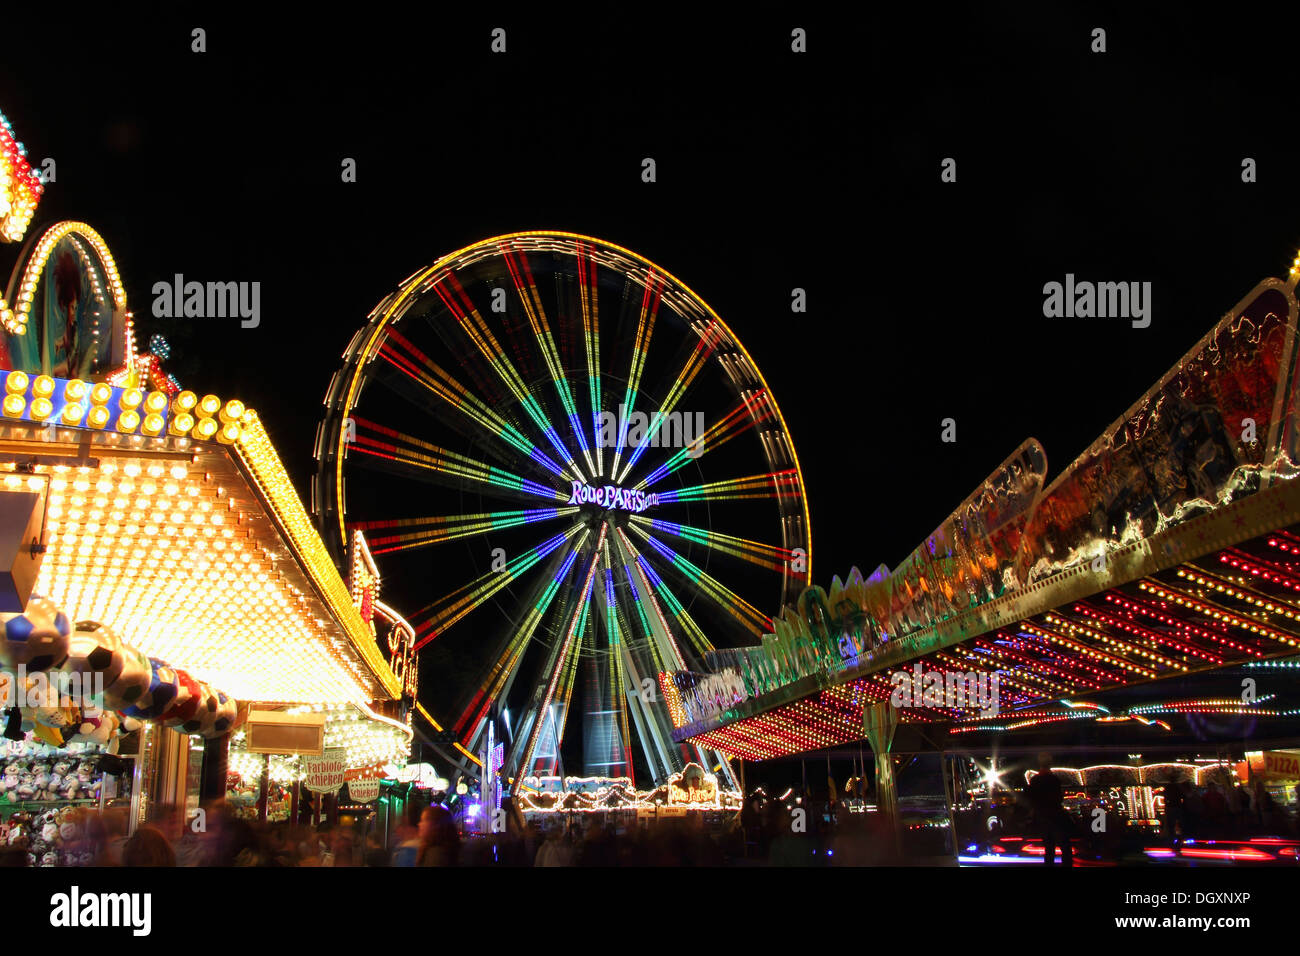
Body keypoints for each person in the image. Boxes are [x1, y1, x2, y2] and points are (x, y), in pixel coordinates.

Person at [1027, 754, 1072, 866]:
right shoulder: (1054, 779)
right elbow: (1058, 798)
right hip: (1055, 815)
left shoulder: (1035, 780)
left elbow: (1032, 799)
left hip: (1042, 816)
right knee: (1065, 846)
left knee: (1049, 847)